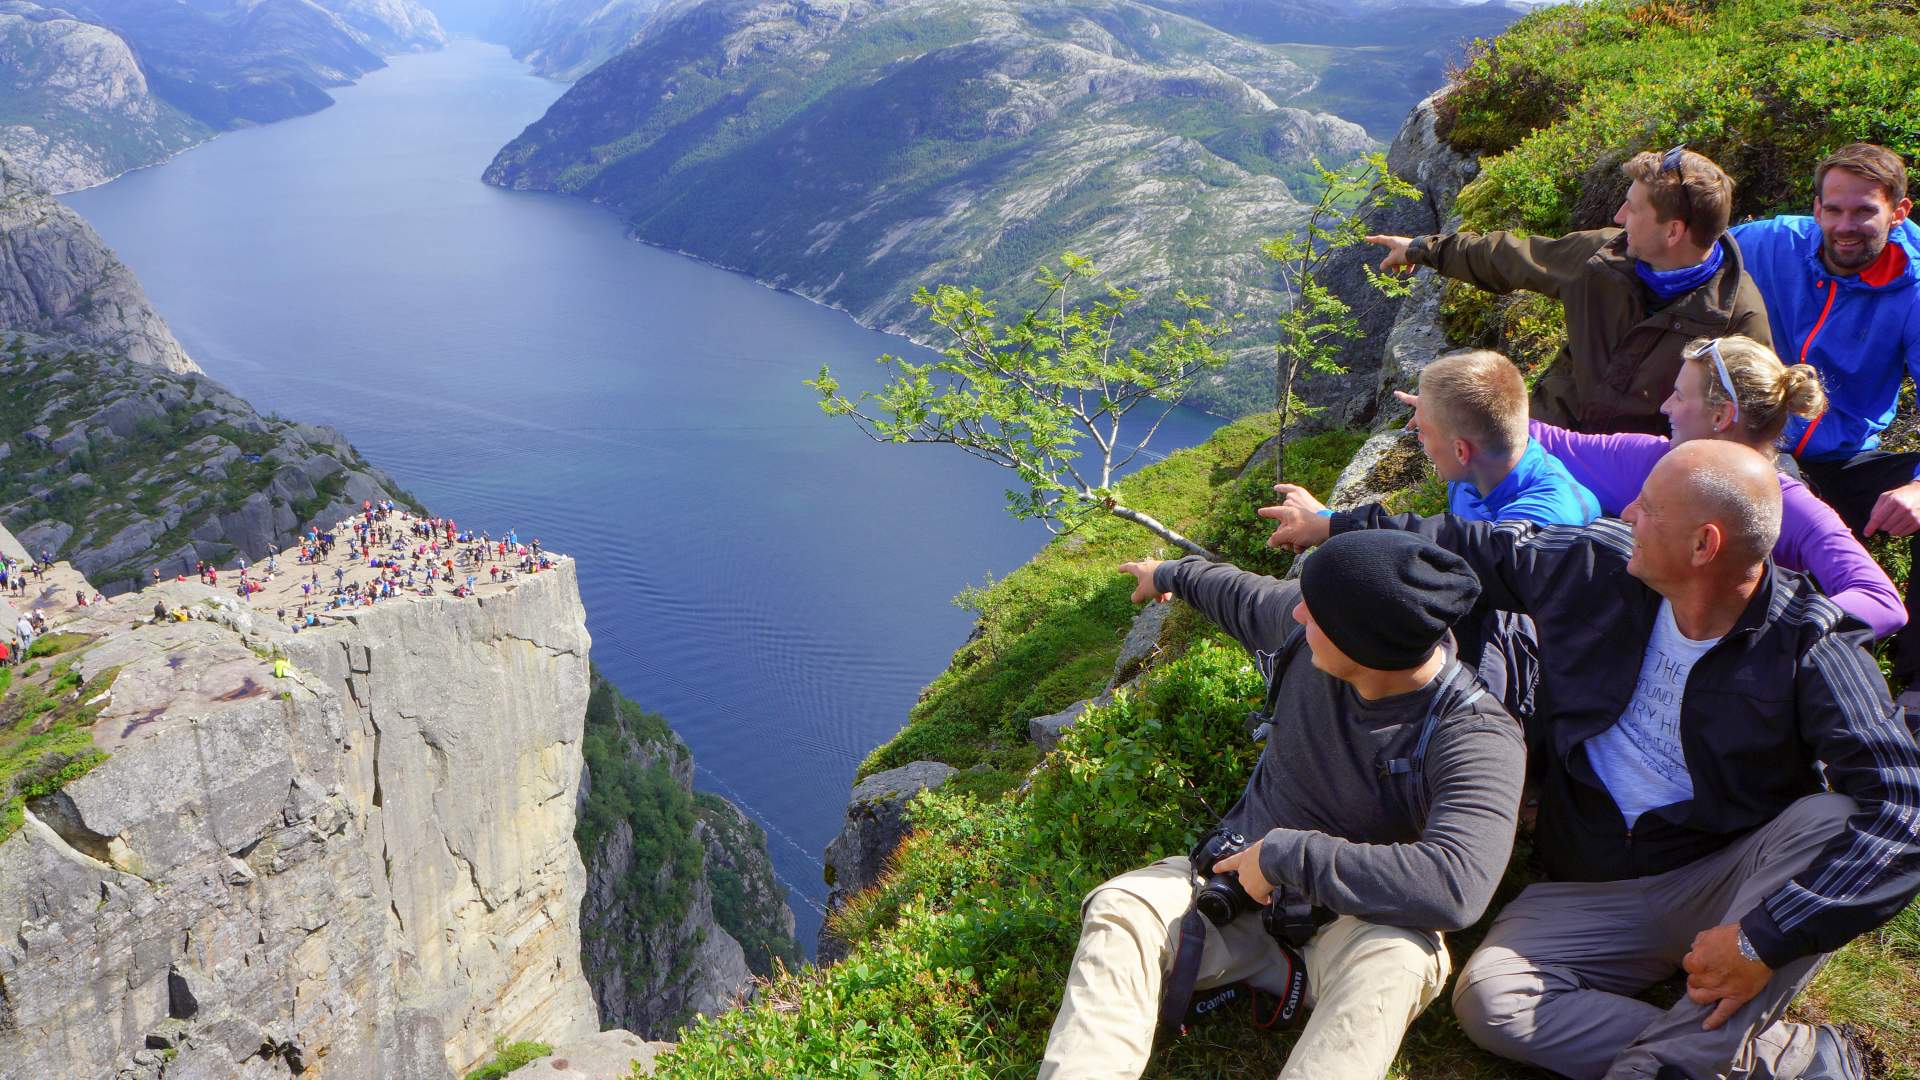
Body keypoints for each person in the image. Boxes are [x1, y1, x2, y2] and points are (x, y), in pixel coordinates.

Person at [1266, 441, 1920, 1079]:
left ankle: (1663, 1067)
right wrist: (1336, 524)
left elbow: (1904, 806)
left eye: (1650, 508)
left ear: (1704, 545)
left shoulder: (1811, 644)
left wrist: (1764, 937)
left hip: (1723, 884)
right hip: (1590, 883)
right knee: (1491, 999)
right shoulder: (1594, 564)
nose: (1626, 512)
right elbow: (1470, 546)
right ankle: (1779, 1057)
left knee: (1832, 818)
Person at [1039, 531, 1525, 1080]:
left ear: (1364, 643)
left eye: (1313, 611)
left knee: (1400, 959)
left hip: (1358, 925)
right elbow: (1236, 590)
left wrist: (1286, 858)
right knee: (1123, 908)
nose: (1295, 612)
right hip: (1233, 891)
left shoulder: (1476, 736)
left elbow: (1457, 887)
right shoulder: (1302, 635)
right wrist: (1166, 574)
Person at [1384, 335, 1904, 641]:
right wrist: (1445, 417)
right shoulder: (1655, 456)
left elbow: (1883, 602)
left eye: (1680, 396)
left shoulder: (1791, 506)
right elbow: (1549, 440)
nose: (1665, 408)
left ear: (1722, 416)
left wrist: (1775, 628)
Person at [1367, 147, 1772, 435]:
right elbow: (1508, 257)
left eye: (1633, 208)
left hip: (1636, 476)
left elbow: (1747, 425)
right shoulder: (1601, 258)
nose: (1618, 216)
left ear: (1674, 231)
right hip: (1548, 438)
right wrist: (1422, 249)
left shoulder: (1738, 319)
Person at [1728, 143, 1920, 700]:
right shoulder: (1770, 243)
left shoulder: (1914, 289)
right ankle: (1758, 679)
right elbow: (1686, 257)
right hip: (1766, 446)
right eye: (1833, 210)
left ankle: (1913, 690)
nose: (1846, 226)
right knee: (1754, 503)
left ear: (1899, 211)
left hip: (1846, 458)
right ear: (1815, 208)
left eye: (1864, 211)